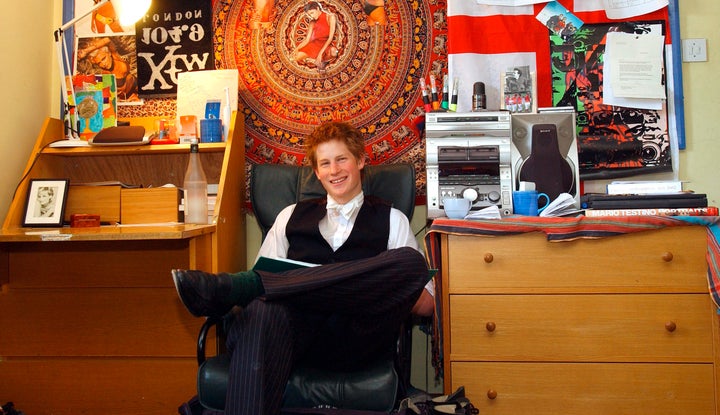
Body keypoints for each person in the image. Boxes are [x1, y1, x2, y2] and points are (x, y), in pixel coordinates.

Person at [172, 121, 434, 415]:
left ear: (360, 161)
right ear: (316, 172)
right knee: (260, 309)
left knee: (409, 264)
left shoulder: (392, 219)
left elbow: (427, 305)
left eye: (341, 159)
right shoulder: (289, 216)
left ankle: (235, 285)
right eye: (324, 163)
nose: (334, 170)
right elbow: (264, 288)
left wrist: (373, 285)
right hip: (293, 339)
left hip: (357, 340)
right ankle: (251, 286)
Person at [77, 37, 138, 101]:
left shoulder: (116, 57)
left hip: (135, 85)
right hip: (127, 97)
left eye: (103, 58)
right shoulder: (105, 74)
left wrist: (86, 51)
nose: (103, 64)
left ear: (109, 53)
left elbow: (107, 40)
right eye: (99, 63)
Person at [292, 1, 339, 70]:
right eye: (309, 15)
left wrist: (320, 54)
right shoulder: (312, 22)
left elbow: (330, 38)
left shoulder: (330, 17)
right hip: (314, 45)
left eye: (312, 13)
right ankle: (317, 60)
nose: (311, 16)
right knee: (294, 58)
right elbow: (306, 40)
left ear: (317, 8)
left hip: (326, 45)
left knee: (334, 52)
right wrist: (296, 49)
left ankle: (323, 61)